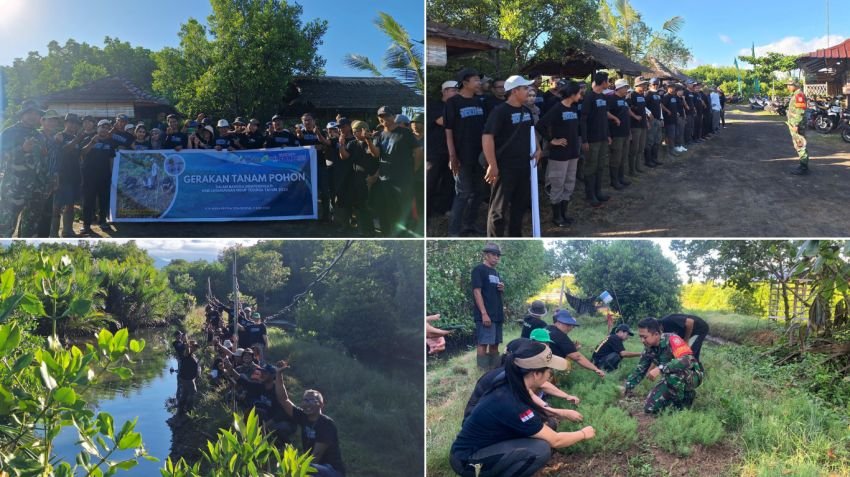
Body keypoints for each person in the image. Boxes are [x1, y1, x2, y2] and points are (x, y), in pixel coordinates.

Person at [450, 339, 595, 477]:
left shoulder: (513, 379)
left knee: (547, 424)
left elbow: (533, 400)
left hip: (488, 443)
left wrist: (559, 412)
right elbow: (556, 440)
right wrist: (583, 433)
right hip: (468, 460)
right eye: (549, 370)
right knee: (540, 449)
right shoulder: (510, 402)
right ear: (536, 374)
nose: (550, 374)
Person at [482, 75, 541, 237]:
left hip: (524, 166)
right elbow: (487, 137)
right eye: (525, 88)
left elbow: (531, 131)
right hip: (504, 168)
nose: (529, 91)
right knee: (498, 210)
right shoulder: (500, 111)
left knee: (519, 206)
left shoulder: (526, 110)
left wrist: (538, 148)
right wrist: (492, 165)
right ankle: (495, 239)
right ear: (515, 91)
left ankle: (516, 236)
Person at [623, 317, 705, 414]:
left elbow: (687, 360)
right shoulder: (648, 348)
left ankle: (683, 402)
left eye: (645, 337)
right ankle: (676, 397)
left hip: (692, 375)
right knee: (650, 409)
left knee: (674, 376)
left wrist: (660, 368)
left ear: (656, 334)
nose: (642, 340)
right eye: (640, 337)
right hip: (670, 378)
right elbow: (640, 370)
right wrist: (627, 387)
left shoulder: (672, 339)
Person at [275, 370, 346, 477]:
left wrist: (297, 469)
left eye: (312, 400)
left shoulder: (326, 424)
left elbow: (316, 456)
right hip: (313, 466)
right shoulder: (303, 416)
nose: (307, 403)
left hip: (332, 470)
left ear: (321, 404)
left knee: (306, 469)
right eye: (305, 400)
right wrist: (278, 374)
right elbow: (283, 399)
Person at [445, 68, 488, 237]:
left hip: (479, 156)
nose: (479, 83)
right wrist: (452, 156)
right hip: (462, 156)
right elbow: (448, 131)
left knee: (479, 192)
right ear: (465, 82)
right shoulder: (453, 102)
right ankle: (454, 231)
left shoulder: (479, 102)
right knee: (463, 193)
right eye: (476, 80)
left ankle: (470, 224)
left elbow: (485, 130)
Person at [0, 100, 52, 238]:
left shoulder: (39, 135)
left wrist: (47, 183)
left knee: (31, 228)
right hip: (14, 189)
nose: (33, 116)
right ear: (22, 114)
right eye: (29, 112)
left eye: (36, 113)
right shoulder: (10, 132)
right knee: (5, 227)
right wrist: (21, 150)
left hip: (36, 189)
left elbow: (42, 161)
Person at [370, 106, 422, 237]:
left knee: (404, 209)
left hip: (403, 179)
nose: (384, 119)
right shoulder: (379, 135)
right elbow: (375, 154)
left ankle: (407, 235)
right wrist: (367, 140)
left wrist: (413, 170)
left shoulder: (405, 133)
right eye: (381, 117)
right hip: (385, 180)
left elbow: (418, 152)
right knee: (388, 209)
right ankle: (391, 234)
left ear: (394, 117)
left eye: (387, 116)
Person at [536, 80, 582, 228]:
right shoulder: (557, 108)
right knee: (558, 184)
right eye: (579, 93)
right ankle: (556, 217)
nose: (581, 96)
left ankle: (564, 214)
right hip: (559, 155)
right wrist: (552, 140)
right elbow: (540, 125)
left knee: (569, 183)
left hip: (573, 153)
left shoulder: (574, 109)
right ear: (572, 94)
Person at [579, 72, 615, 208]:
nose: (609, 83)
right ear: (603, 82)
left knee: (600, 166)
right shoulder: (589, 96)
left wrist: (608, 134)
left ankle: (598, 192)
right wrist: (584, 140)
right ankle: (590, 195)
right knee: (591, 167)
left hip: (603, 138)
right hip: (592, 139)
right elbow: (583, 119)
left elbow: (604, 117)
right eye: (607, 81)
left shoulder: (603, 97)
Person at [80, 119, 119, 235]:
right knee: (88, 201)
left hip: (105, 176)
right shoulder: (89, 138)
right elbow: (82, 153)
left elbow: (111, 158)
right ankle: (86, 225)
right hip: (89, 176)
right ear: (97, 128)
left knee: (104, 200)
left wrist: (112, 174)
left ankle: (103, 222)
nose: (104, 130)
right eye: (102, 127)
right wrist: (92, 142)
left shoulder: (110, 142)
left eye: (107, 128)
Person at [427, 81, 458, 218]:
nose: (456, 93)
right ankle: (426, 211)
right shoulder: (434, 106)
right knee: (431, 181)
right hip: (435, 151)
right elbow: (442, 121)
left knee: (449, 182)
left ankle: (443, 208)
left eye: (458, 90)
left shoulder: (457, 105)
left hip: (452, 151)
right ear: (444, 91)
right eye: (453, 90)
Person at [471, 243, 505, 371]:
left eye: (498, 255)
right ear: (486, 255)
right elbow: (477, 291)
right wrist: (484, 313)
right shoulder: (479, 270)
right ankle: (482, 371)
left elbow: (495, 291)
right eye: (493, 254)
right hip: (485, 314)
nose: (496, 257)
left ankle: (494, 369)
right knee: (483, 343)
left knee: (495, 343)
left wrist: (502, 288)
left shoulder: (496, 272)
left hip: (497, 315)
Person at [545, 310, 606, 378]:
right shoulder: (560, 336)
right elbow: (577, 357)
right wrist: (596, 369)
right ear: (558, 322)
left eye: (571, 325)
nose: (570, 328)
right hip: (547, 367)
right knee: (566, 366)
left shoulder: (547, 328)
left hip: (540, 361)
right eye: (567, 325)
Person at [607, 79, 632, 191]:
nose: (627, 89)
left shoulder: (623, 99)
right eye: (625, 87)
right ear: (619, 88)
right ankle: (614, 180)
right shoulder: (611, 98)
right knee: (616, 157)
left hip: (625, 132)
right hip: (616, 134)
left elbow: (626, 115)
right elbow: (606, 112)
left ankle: (621, 177)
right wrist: (614, 118)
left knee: (623, 156)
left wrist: (629, 132)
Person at [784, 80, 810, 175]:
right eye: (787, 85)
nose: (788, 87)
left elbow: (800, 111)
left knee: (800, 144)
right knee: (798, 144)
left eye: (789, 85)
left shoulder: (799, 95)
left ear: (795, 85)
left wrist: (796, 124)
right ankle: (803, 165)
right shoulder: (796, 94)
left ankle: (803, 167)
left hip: (797, 125)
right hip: (795, 124)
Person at [628, 78, 650, 176]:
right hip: (635, 126)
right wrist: (635, 116)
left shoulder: (643, 95)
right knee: (634, 148)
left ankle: (638, 166)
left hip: (643, 125)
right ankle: (632, 170)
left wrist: (647, 121)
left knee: (641, 147)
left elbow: (643, 109)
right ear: (637, 85)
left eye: (646, 84)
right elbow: (627, 108)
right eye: (643, 84)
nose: (645, 86)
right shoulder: (631, 95)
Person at [643, 78, 663, 167]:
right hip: (651, 120)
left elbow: (660, 107)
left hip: (658, 120)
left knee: (657, 140)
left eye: (657, 84)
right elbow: (642, 106)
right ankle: (648, 160)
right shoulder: (648, 94)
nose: (656, 85)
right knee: (650, 141)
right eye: (654, 84)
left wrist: (662, 118)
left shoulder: (658, 94)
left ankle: (655, 158)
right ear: (650, 84)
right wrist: (649, 113)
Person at [661, 83, 681, 157]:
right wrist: (667, 111)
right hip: (668, 120)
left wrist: (677, 112)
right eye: (671, 87)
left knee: (674, 135)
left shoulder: (674, 96)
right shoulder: (666, 96)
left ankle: (671, 149)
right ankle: (669, 151)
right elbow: (661, 105)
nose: (673, 89)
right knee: (670, 136)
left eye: (674, 87)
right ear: (668, 88)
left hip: (674, 118)